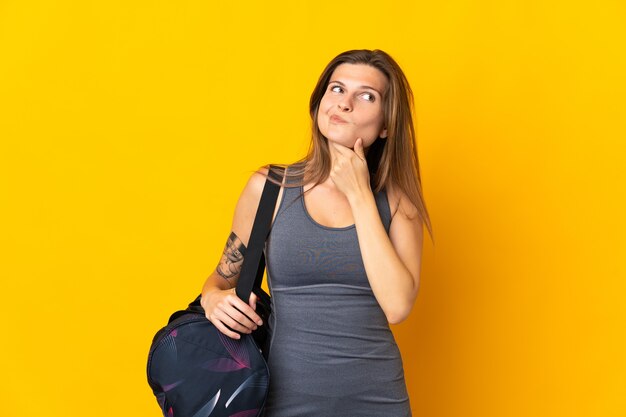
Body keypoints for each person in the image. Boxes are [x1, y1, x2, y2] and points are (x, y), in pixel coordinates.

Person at [200, 49, 433, 417]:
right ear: (320, 103)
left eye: (366, 96)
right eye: (337, 89)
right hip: (282, 400)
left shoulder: (400, 205)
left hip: (378, 401)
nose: (345, 103)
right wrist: (211, 299)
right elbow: (221, 279)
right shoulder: (269, 189)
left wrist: (359, 195)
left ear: (386, 124)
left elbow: (398, 305)